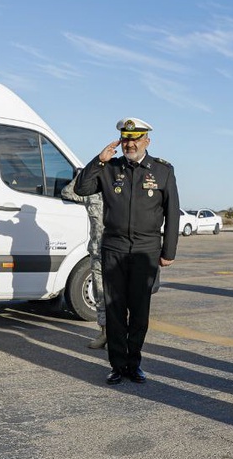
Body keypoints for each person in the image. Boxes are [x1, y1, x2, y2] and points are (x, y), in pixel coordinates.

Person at [75, 117, 180, 385]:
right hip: (115, 248)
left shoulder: (162, 171)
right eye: (125, 139)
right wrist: (98, 161)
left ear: (147, 141)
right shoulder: (109, 168)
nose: (129, 144)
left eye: (135, 139)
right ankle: (117, 366)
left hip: (146, 251)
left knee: (140, 312)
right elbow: (81, 188)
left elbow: (171, 213)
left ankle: (134, 363)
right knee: (114, 310)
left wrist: (168, 251)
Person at [62, 170, 107, 349]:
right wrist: (83, 174)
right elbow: (67, 192)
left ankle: (120, 337)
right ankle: (104, 333)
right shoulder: (92, 195)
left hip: (119, 254)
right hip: (98, 252)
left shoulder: (122, 194)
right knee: (100, 294)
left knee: (120, 297)